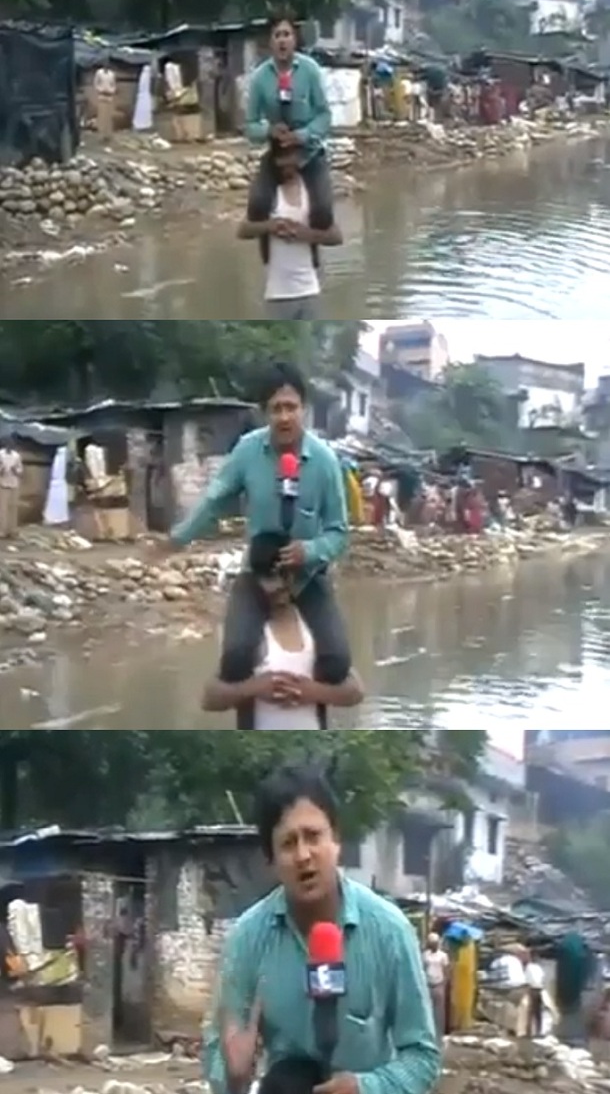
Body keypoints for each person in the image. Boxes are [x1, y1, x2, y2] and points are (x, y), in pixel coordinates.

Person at [203, 764, 441, 1094]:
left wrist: (365, 1088)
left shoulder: (390, 931)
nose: (303, 855)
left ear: (337, 840)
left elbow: (423, 1057)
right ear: (270, 859)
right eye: (287, 843)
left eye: (313, 837)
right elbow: (219, 1049)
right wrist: (232, 1076)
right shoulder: (247, 940)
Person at [167, 364, 351, 730]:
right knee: (235, 657)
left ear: (304, 408)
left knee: (336, 661)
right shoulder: (248, 452)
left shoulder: (326, 462)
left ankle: (309, 718)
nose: (284, 416)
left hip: (308, 574)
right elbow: (215, 499)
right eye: (275, 408)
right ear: (264, 412)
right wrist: (177, 538)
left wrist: (310, 551)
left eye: (291, 406)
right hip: (260, 572)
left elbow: (339, 532)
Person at [203, 531, 363, 729]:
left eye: (283, 581)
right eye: (270, 583)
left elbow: (355, 691)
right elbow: (209, 699)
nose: (277, 590)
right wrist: (254, 688)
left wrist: (312, 692)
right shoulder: (245, 631)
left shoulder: (314, 624)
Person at [246, 16, 334, 247]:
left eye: (287, 35)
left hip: (309, 153)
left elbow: (325, 116)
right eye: (277, 35)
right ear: (270, 42)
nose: (282, 41)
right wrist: (269, 130)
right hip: (277, 154)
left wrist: (303, 134)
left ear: (295, 40)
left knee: (323, 210)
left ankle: (311, 250)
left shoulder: (310, 70)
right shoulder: (259, 78)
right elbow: (250, 125)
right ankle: (268, 252)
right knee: (257, 205)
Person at [238, 138, 342, 318]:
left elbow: (336, 237)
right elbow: (242, 231)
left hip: (310, 290)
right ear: (275, 160)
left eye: (291, 158)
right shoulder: (267, 193)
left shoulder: (312, 192)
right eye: (282, 159)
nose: (287, 165)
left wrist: (305, 234)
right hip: (276, 294)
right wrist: (271, 226)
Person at [423, 933, 449, 1040]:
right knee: (428, 1009)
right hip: (428, 985)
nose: (433, 945)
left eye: (435, 943)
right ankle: (430, 1032)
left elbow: (446, 970)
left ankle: (439, 1033)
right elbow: (423, 968)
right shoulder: (425, 955)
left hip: (439, 984)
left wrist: (444, 983)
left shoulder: (443, 956)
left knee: (439, 1011)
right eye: (431, 943)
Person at [0, 435, 22, 539]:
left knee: (13, 508)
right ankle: (2, 531)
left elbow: (20, 470)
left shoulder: (16, 456)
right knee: (3, 509)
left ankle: (12, 531)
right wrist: (2, 470)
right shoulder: (1, 455)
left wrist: (15, 470)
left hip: (14, 484)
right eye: (8, 443)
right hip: (3, 484)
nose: (10, 445)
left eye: (11, 443)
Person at [93, 56, 117, 142]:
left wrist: (111, 91)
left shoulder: (111, 74)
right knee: (102, 115)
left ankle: (108, 135)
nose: (106, 65)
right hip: (102, 95)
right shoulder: (99, 73)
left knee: (109, 116)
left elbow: (113, 85)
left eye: (108, 63)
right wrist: (101, 90)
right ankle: (101, 135)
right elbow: (96, 83)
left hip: (109, 96)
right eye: (105, 63)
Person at [524, 949, 545, 1037]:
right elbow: (542, 977)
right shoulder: (538, 968)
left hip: (532, 989)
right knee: (537, 1012)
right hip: (539, 989)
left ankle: (529, 1031)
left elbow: (527, 979)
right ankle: (538, 1031)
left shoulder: (529, 967)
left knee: (531, 1011)